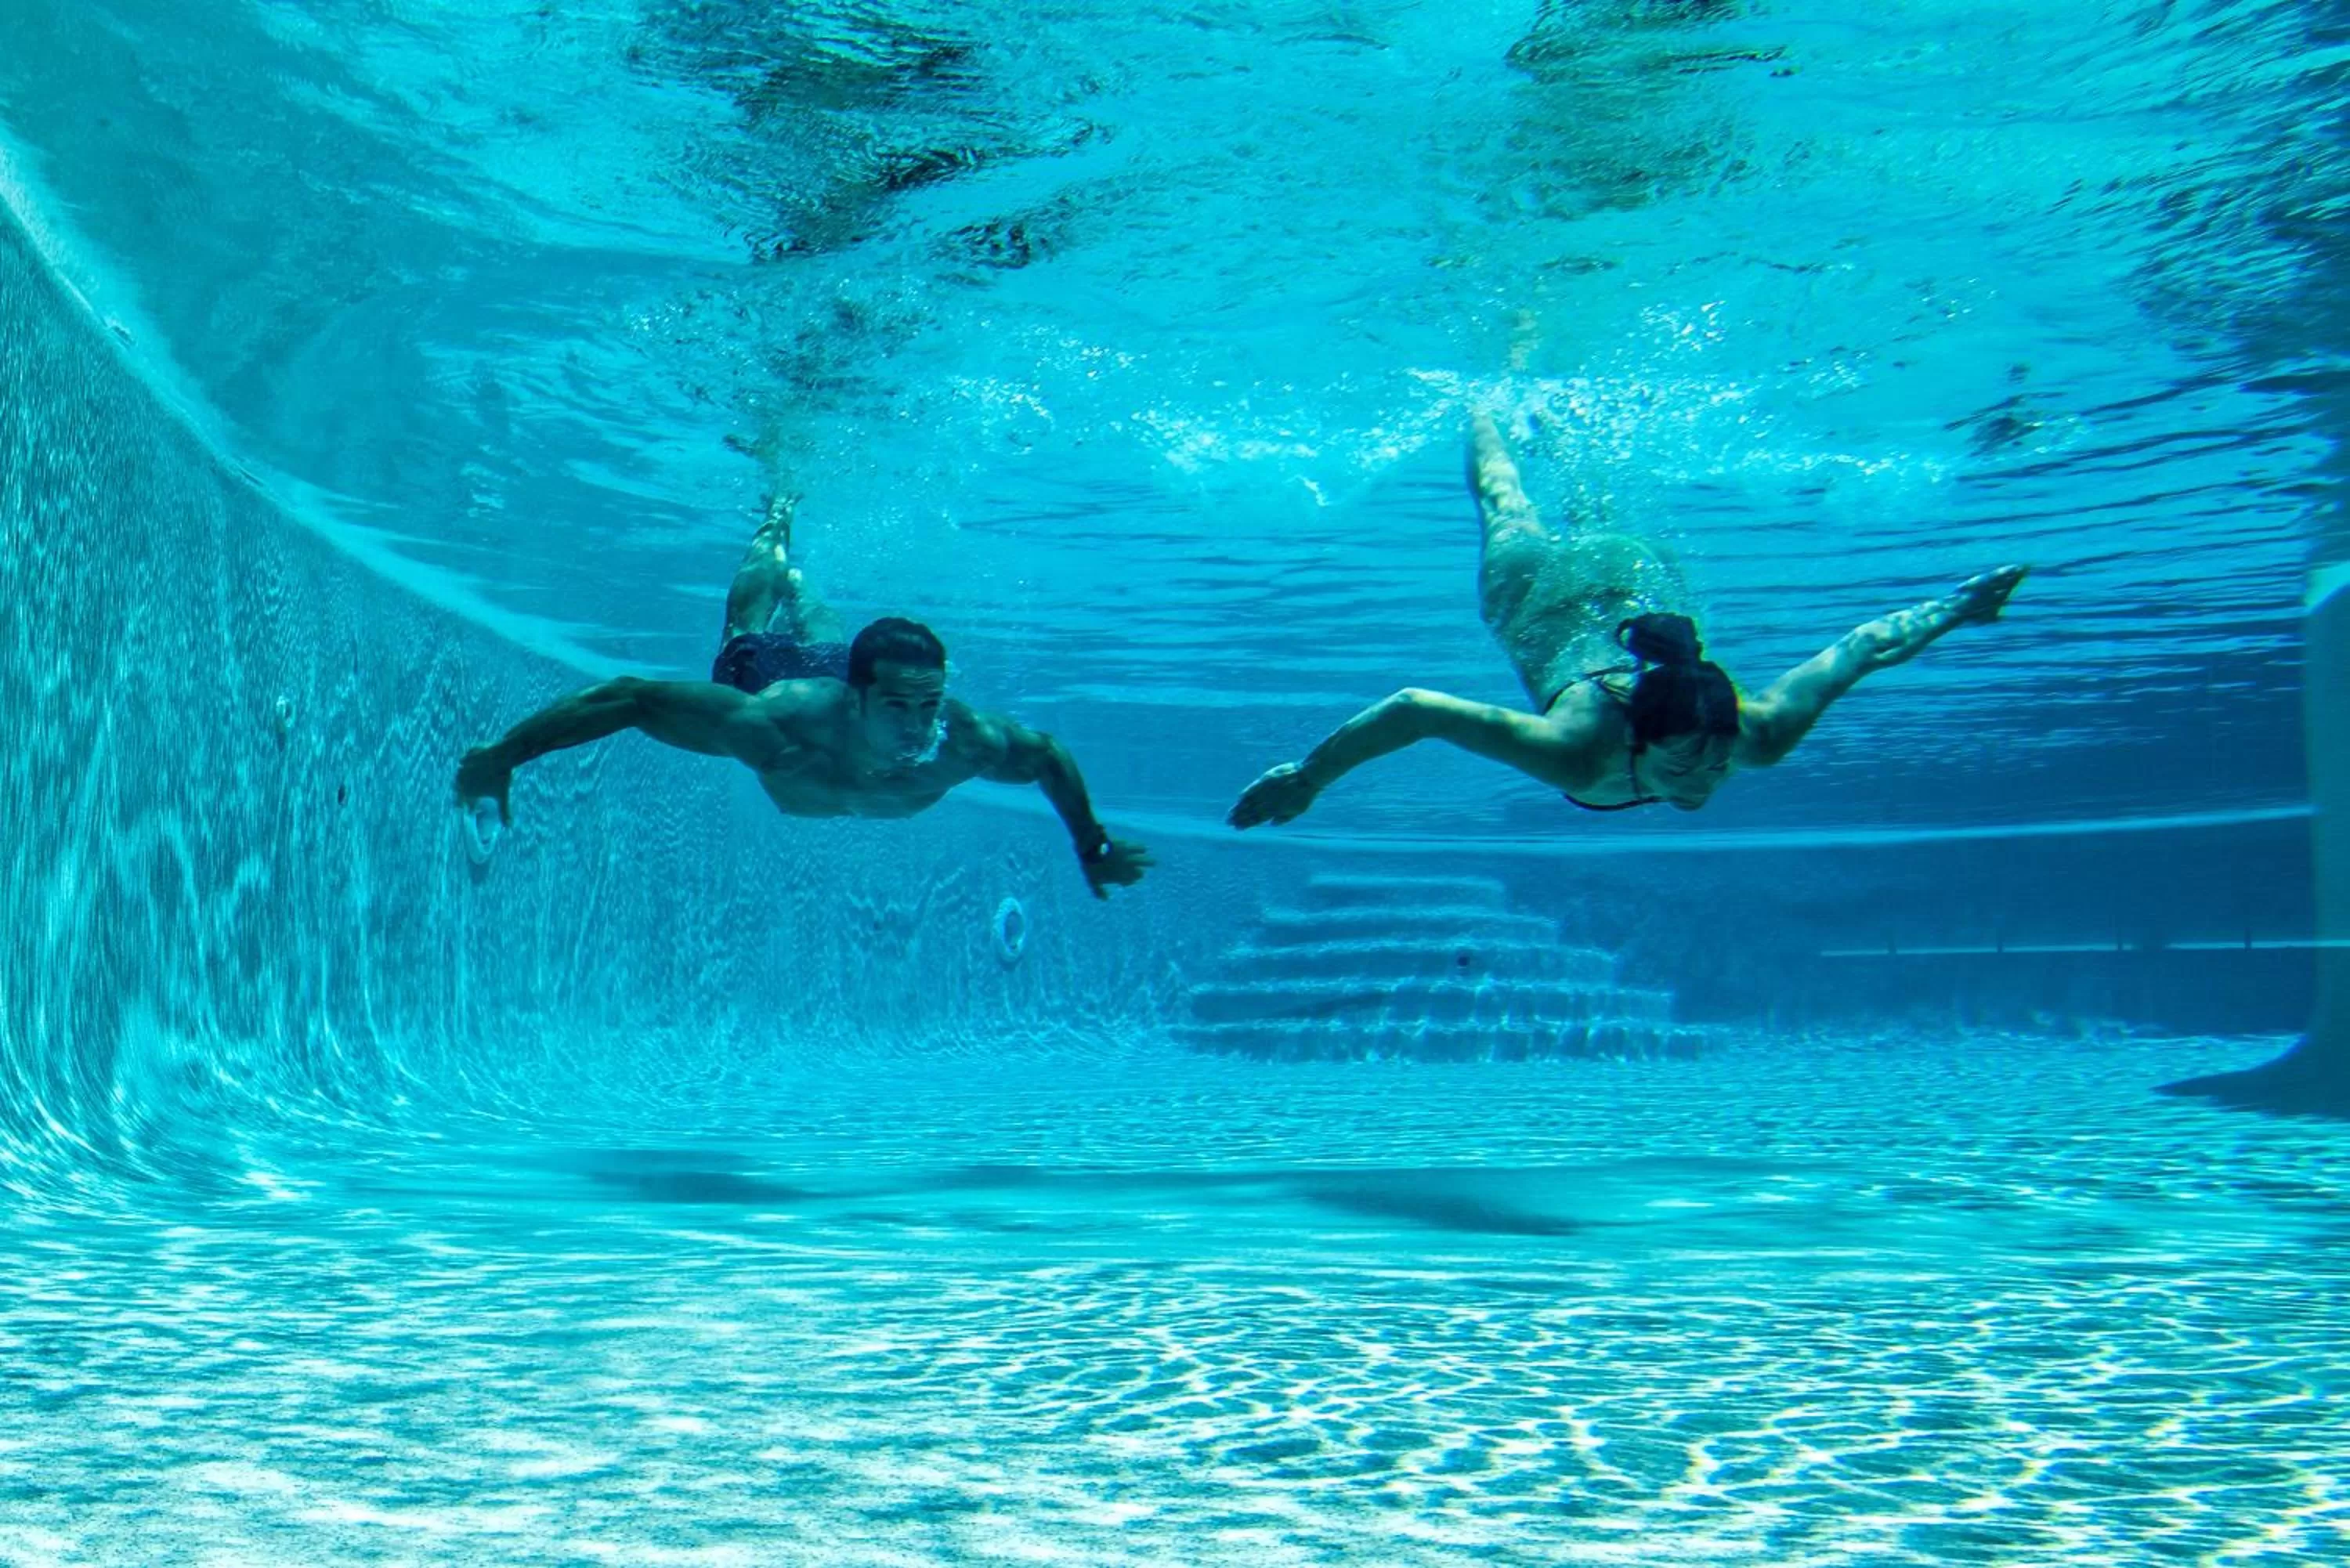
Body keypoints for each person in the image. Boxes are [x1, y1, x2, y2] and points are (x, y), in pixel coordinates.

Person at [1228, 412, 2029, 828]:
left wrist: (1958, 608)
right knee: (1510, 503)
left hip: (1624, 579)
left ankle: (1517, 407)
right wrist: (1307, 779)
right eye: (1686, 766)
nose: (1706, 781)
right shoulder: (1578, 754)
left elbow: (1861, 650)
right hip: (1540, 599)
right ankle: (1485, 399)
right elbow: (1415, 708)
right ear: (1635, 742)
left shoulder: (1753, 734)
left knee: (1547, 504)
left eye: (1713, 763)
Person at [456, 494, 1152, 898]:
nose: (920, 728)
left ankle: (799, 584)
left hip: (839, 675)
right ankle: (774, 525)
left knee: (822, 632)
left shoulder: (965, 741)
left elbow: (1047, 756)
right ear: (856, 700)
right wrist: (501, 756)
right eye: (899, 708)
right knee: (745, 630)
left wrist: (1091, 845)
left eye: (929, 705)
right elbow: (632, 699)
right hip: (776, 681)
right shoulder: (774, 728)